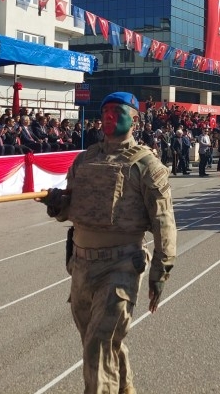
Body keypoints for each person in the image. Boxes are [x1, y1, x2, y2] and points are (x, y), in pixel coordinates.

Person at [40, 92, 176, 394]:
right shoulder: (84, 159)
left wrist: (161, 270)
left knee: (97, 348)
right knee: (100, 342)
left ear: (135, 119)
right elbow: (70, 210)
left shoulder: (147, 165)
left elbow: (164, 221)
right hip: (81, 265)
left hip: (122, 265)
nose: (109, 116)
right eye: (105, 111)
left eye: (117, 111)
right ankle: (126, 388)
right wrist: (56, 204)